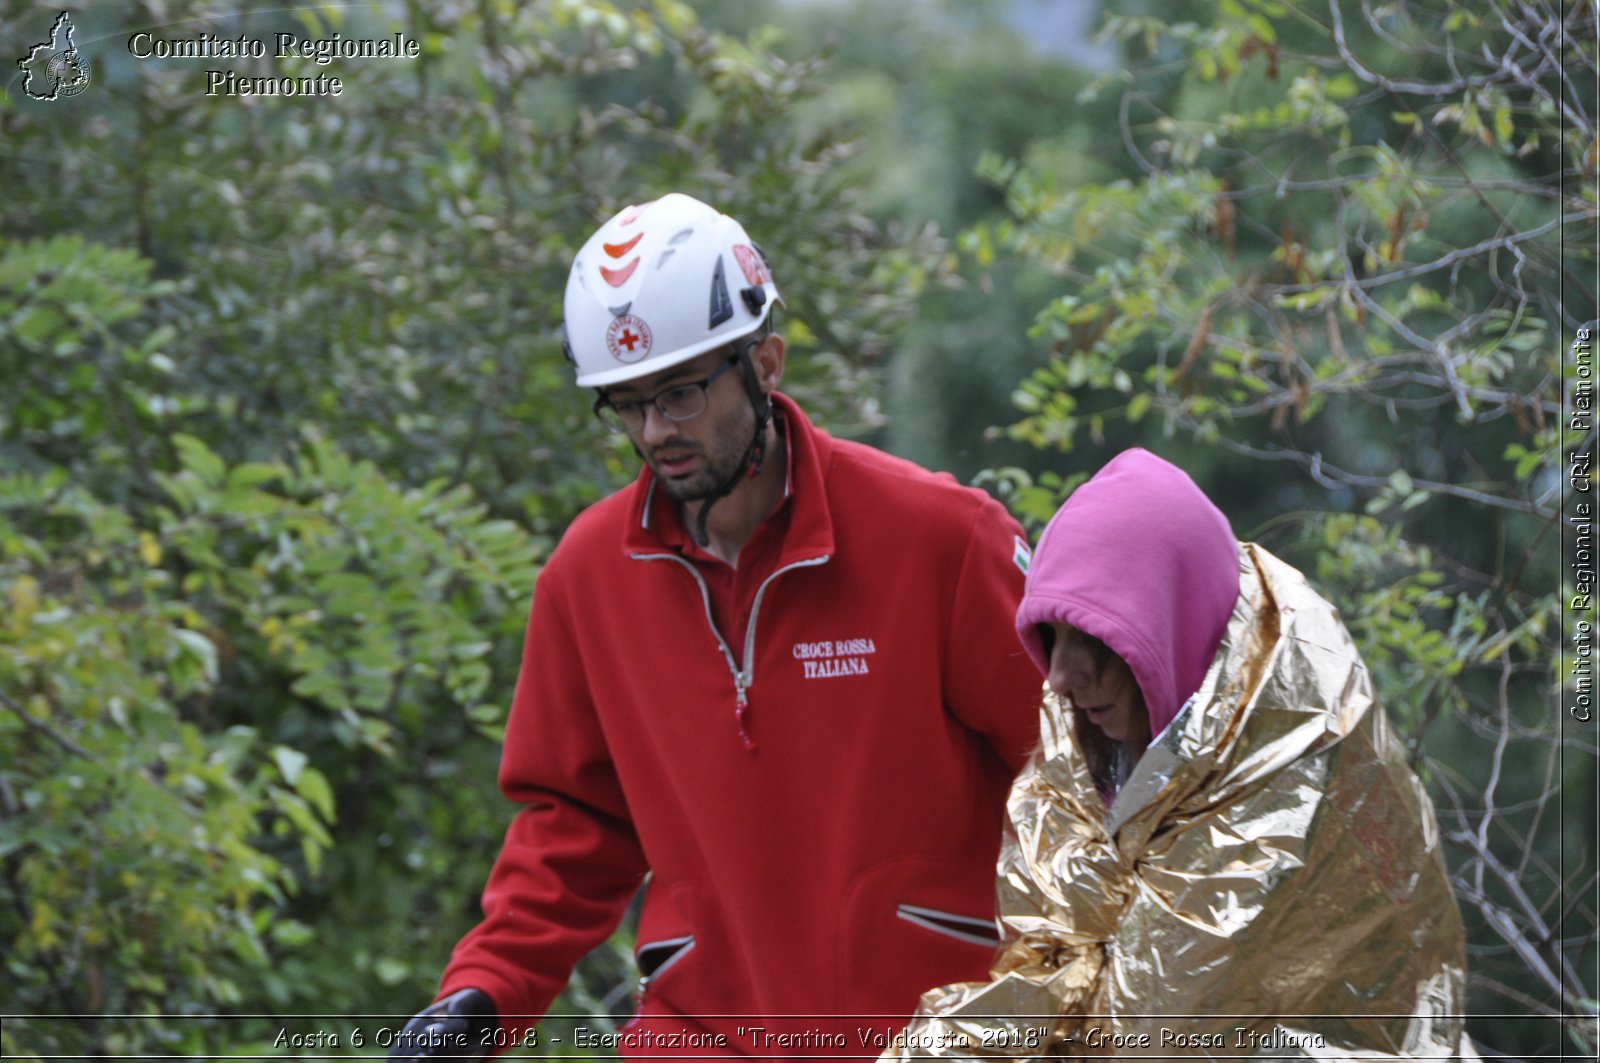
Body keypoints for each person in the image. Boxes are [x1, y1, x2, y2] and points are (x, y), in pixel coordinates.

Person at [389, 193, 1044, 1060]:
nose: (657, 431)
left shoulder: (942, 540)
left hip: (930, 1034)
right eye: (626, 405)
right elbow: (574, 827)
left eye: (682, 393)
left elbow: (1078, 779)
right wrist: (483, 993)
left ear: (764, 361)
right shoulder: (587, 579)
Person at [884, 448, 1476, 1060]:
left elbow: (1158, 1029)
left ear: (1172, 627)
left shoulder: (1284, 775)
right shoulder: (1088, 754)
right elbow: (1053, 969)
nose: (1059, 674)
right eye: (1049, 637)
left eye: (1090, 636)